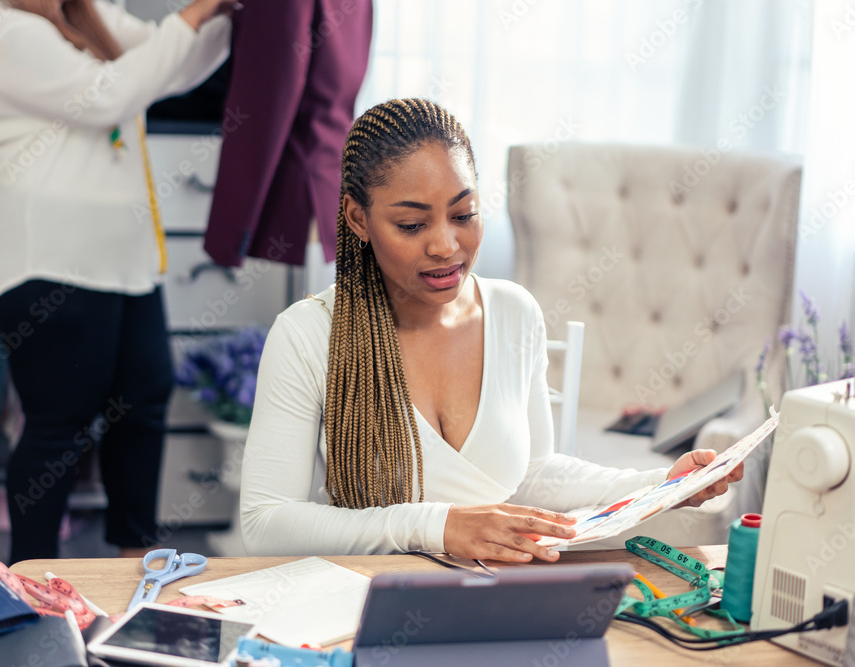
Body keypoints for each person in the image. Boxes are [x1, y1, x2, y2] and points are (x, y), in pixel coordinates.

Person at [240, 98, 743, 562]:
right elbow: (265, 524)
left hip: (501, 590)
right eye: (412, 225)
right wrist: (437, 527)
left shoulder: (513, 312)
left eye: (464, 214)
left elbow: (530, 475)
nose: (445, 245)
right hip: (368, 600)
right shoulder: (307, 336)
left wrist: (660, 484)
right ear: (357, 218)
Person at [0, 0, 234, 562]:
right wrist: (195, 14)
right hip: (49, 258)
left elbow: (171, 62)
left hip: (123, 261)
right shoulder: (1, 30)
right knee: (61, 424)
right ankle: (32, 588)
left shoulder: (88, 14)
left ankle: (137, 565)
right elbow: (107, 94)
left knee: (145, 399)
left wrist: (228, 18)